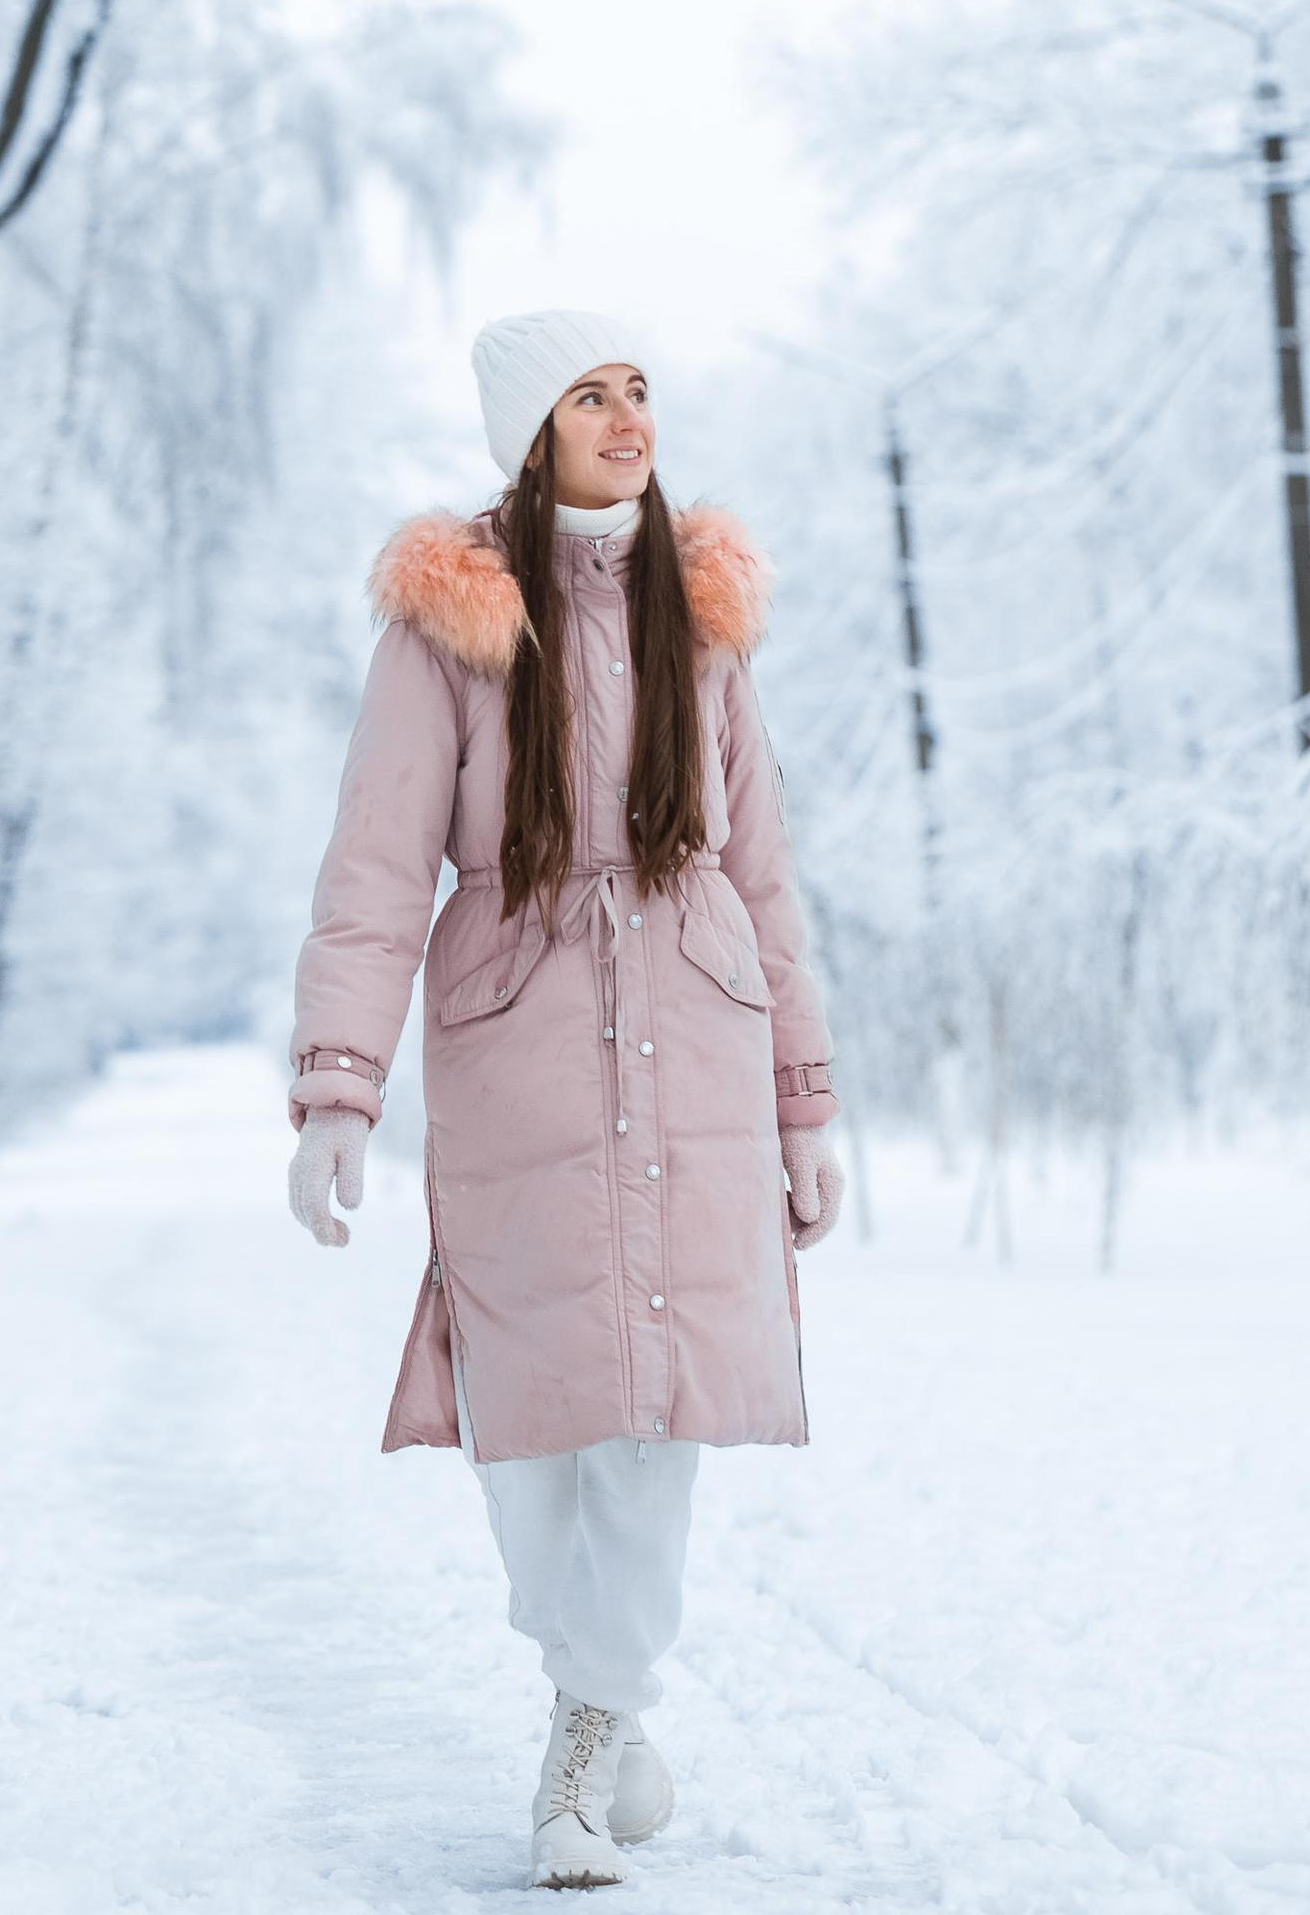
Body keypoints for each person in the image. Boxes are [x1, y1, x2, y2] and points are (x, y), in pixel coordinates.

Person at [287, 309, 843, 1891]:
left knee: (653, 1407)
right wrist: (338, 1090)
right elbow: (379, 860)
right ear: (531, 433)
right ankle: (597, 1676)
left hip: (699, 1026)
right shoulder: (449, 622)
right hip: (513, 1028)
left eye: (641, 389)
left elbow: (767, 869)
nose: (628, 417)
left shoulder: (706, 615)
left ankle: (586, 1743)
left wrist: (806, 1101)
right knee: (526, 1424)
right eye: (592, 395)